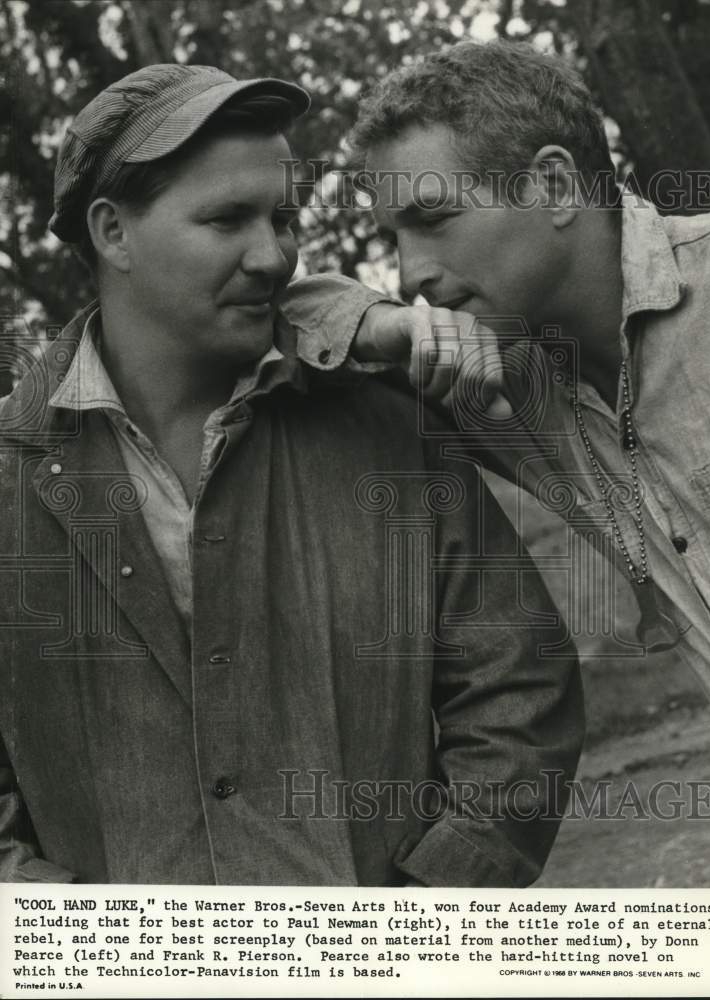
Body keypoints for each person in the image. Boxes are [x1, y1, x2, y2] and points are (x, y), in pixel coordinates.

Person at [0, 63, 583, 885]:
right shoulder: (10, 472)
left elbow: (518, 693)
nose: (272, 255)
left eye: (282, 217)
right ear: (112, 232)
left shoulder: (384, 421)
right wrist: (74, 945)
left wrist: (424, 925)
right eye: (228, 218)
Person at [295, 39, 710, 763]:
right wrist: (390, 325)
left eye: (434, 219)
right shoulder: (487, 381)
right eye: (395, 238)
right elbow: (285, 317)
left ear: (553, 186)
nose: (412, 271)